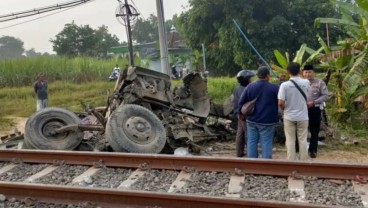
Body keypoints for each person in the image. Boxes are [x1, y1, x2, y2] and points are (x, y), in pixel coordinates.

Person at [238, 66, 279, 159]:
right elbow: (281, 101)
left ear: (258, 76)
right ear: (268, 76)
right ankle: (266, 163)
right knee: (266, 141)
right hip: (267, 121)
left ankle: (252, 162)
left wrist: (240, 114)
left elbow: (241, 101)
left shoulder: (250, 87)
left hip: (252, 120)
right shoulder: (274, 88)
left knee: (252, 141)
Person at [278, 62, 310, 161]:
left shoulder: (284, 85)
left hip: (289, 116)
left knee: (290, 140)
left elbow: (280, 103)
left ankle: (291, 161)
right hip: (303, 116)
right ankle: (303, 161)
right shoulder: (306, 82)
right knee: (302, 140)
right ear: (300, 71)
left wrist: (284, 109)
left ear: (288, 72)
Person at [303, 64, 329, 158]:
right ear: (303, 73)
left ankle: (313, 150)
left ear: (313, 72)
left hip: (315, 109)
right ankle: (299, 148)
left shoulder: (320, 83)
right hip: (302, 109)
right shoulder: (300, 83)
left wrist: (314, 102)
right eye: (306, 72)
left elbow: (326, 96)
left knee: (314, 130)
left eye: (310, 72)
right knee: (301, 129)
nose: (308, 74)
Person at [233, 69, 256, 157]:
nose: (251, 80)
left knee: (240, 133)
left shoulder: (237, 89)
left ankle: (239, 153)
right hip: (245, 115)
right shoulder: (248, 89)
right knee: (248, 134)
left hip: (238, 114)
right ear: (246, 80)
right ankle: (251, 153)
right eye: (250, 79)